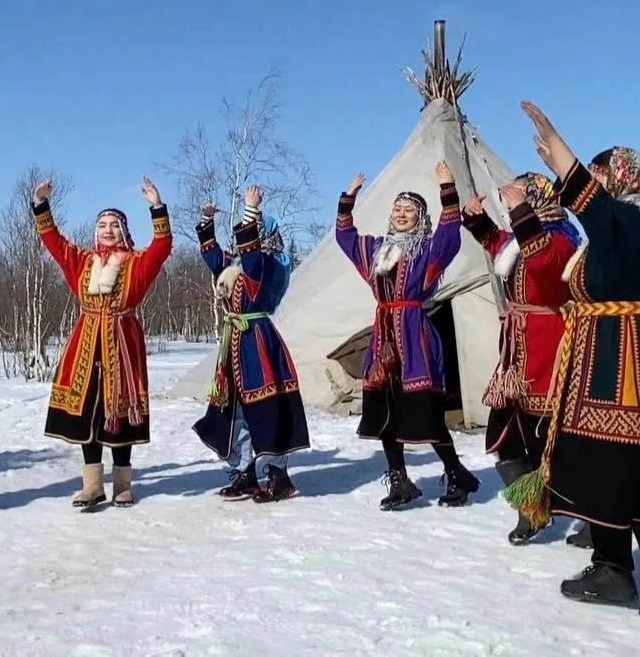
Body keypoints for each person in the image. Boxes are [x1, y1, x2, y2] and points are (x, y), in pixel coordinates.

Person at [510, 101, 640, 620]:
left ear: (618, 177)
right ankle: (619, 569)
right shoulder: (626, 227)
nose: (592, 185)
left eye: (599, 175)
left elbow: (604, 214)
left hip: (628, 362)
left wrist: (565, 163)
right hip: (614, 353)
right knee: (619, 465)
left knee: (626, 463)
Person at [335, 161, 480, 510]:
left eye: (409, 210)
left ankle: (457, 474)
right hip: (383, 339)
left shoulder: (428, 249)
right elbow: (345, 237)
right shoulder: (375, 249)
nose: (401, 214)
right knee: (386, 413)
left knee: (425, 414)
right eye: (397, 209)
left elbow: (450, 234)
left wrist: (448, 189)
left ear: (420, 217)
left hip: (414, 337)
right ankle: (400, 480)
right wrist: (348, 200)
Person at [31, 176, 172, 510]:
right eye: (102, 225)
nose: (108, 231)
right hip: (86, 345)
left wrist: (156, 207)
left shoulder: (136, 264)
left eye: (114, 225)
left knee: (120, 413)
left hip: (122, 345)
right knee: (89, 416)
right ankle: (92, 485)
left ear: (123, 230)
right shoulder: (82, 262)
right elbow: (53, 241)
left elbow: (162, 247)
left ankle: (122, 484)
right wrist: (41, 204)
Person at [459, 173, 581, 544]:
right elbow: (500, 245)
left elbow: (543, 261)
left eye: (521, 195)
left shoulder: (562, 239)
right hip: (515, 356)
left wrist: (520, 213)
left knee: (556, 445)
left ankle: (592, 519)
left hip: (549, 350)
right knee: (503, 438)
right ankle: (531, 508)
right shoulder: (522, 236)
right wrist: (476, 218)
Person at [191, 185, 311, 502]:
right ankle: (244, 473)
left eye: (255, 231)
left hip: (258, 344)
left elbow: (252, 254)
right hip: (234, 346)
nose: (247, 238)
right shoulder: (234, 267)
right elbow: (211, 254)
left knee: (265, 407)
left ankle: (277, 475)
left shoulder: (268, 266)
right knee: (234, 410)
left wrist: (250, 209)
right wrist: (206, 220)